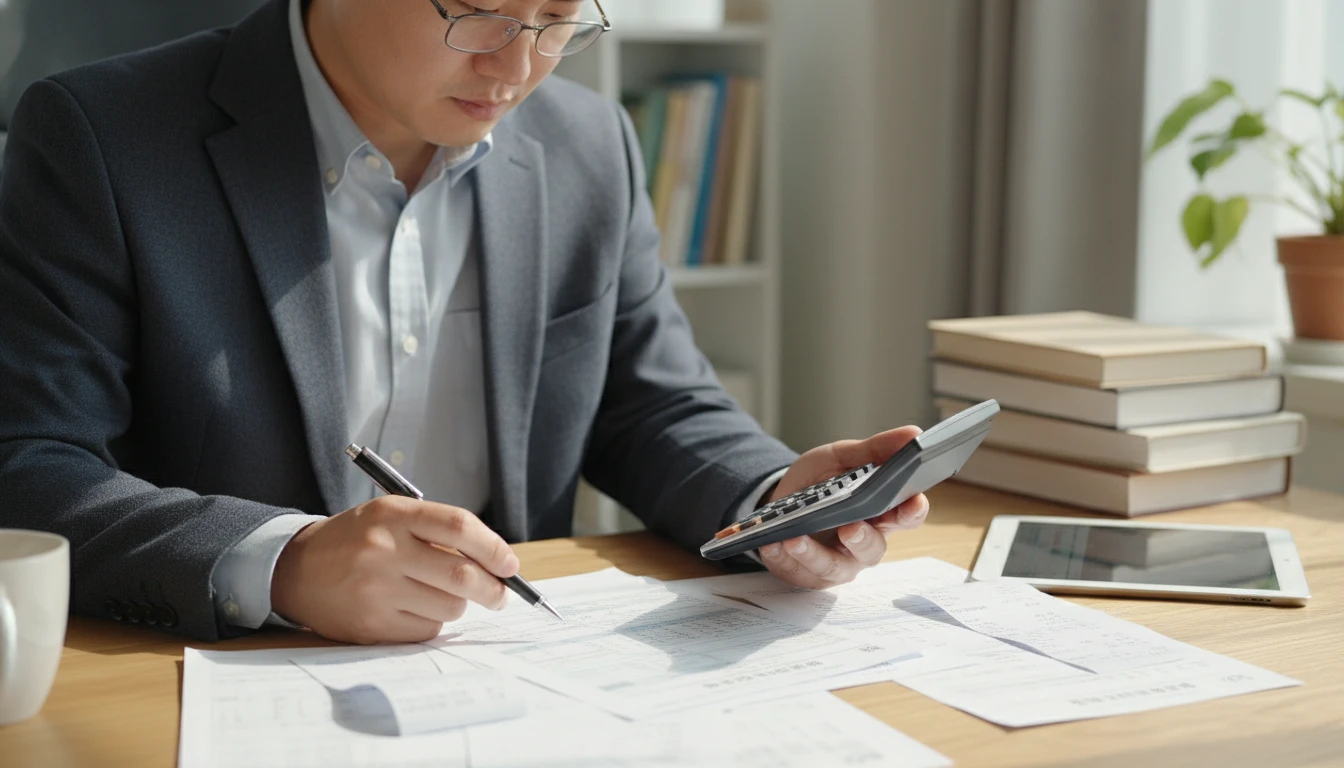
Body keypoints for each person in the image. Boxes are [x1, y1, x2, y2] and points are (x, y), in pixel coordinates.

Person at [0, 0, 929, 645]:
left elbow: (651, 403)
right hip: (218, 679)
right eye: (477, 13)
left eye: (561, 21)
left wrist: (770, 503)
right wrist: (280, 565)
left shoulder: (587, 145)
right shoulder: (103, 136)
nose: (518, 65)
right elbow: (29, 465)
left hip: (510, 672)